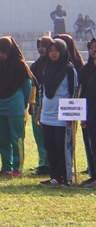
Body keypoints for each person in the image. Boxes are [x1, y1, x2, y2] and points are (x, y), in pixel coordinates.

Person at [0, 37, 34, 177]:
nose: (1, 55)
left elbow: (27, 85)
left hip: (15, 105)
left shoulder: (20, 65)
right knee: (2, 138)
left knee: (16, 138)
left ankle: (18, 167)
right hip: (0, 105)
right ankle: (6, 166)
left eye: (3, 52)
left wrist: (24, 104)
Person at [40, 38, 76, 185]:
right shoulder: (46, 68)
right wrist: (39, 110)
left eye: (56, 50)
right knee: (50, 146)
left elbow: (74, 91)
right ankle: (55, 176)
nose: (53, 53)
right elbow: (42, 90)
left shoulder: (69, 70)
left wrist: (71, 115)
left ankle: (66, 177)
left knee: (62, 147)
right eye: (51, 50)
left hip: (62, 115)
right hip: (47, 114)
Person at [29, 36, 52, 175]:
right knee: (38, 135)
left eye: (43, 46)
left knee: (47, 135)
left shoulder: (53, 65)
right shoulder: (36, 65)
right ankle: (42, 162)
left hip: (49, 104)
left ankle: (49, 163)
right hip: (37, 102)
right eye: (39, 46)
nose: (40, 49)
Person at [79, 37, 96, 187]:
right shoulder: (85, 70)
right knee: (93, 144)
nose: (93, 51)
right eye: (91, 48)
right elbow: (82, 93)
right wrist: (82, 115)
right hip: (91, 109)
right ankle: (94, 176)